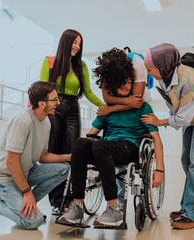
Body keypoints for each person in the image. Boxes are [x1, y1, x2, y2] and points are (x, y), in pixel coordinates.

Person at [59, 48, 164, 227]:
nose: (125, 86)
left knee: (101, 146)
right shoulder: (107, 109)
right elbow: (92, 133)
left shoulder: (143, 108)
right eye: (120, 83)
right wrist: (82, 149)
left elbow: (156, 139)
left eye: (129, 82)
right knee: (80, 143)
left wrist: (159, 170)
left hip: (130, 148)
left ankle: (113, 208)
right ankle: (77, 205)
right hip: (107, 150)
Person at [141, 43, 194, 230]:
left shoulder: (187, 79)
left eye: (150, 69)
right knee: (187, 160)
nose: (149, 73)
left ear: (162, 65)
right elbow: (177, 108)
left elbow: (183, 118)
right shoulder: (166, 78)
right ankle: (190, 207)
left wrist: (159, 122)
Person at [0, 81, 71, 230]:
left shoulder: (46, 122)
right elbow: (11, 162)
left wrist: (68, 157)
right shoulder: (22, 121)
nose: (58, 102)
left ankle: (27, 207)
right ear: (42, 104)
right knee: (33, 222)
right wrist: (27, 191)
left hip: (25, 173)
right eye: (55, 99)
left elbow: (42, 156)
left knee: (64, 168)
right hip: (2, 178)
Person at [39, 29, 103, 214]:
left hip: (73, 111)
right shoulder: (49, 62)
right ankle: (56, 200)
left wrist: (107, 106)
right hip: (53, 110)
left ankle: (71, 199)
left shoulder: (80, 65)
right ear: (65, 42)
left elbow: (88, 92)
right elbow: (42, 89)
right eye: (74, 42)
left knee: (72, 154)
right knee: (54, 154)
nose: (77, 46)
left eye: (79, 43)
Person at [95, 47, 153, 208]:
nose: (124, 84)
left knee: (138, 143)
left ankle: (142, 194)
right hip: (119, 104)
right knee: (114, 143)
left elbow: (137, 101)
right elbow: (107, 97)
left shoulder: (138, 64)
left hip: (139, 108)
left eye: (127, 80)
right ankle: (119, 201)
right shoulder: (107, 70)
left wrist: (111, 108)